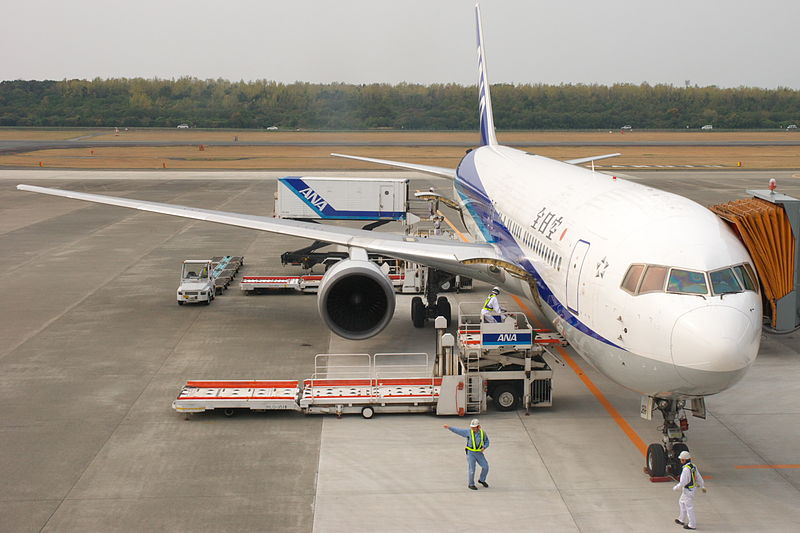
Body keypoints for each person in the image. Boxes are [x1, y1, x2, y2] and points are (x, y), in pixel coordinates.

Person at [443, 419, 490, 490]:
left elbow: (487, 441)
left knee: (485, 467)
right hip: (470, 453)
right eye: (472, 427)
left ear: (478, 427)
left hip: (479, 453)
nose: (473, 428)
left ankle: (482, 480)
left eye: (474, 427)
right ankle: (471, 484)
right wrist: (449, 427)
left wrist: (484, 447)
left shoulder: (483, 433)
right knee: (472, 469)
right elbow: (458, 431)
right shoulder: (468, 432)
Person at [673, 450, 706, 530]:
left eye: (681, 459)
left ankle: (692, 524)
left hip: (688, 491)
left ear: (684, 460)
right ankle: (681, 519)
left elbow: (683, 482)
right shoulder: (693, 466)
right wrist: (702, 486)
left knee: (689, 507)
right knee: (681, 502)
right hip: (691, 490)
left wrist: (676, 487)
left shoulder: (685, 470)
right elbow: (698, 476)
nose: (680, 461)